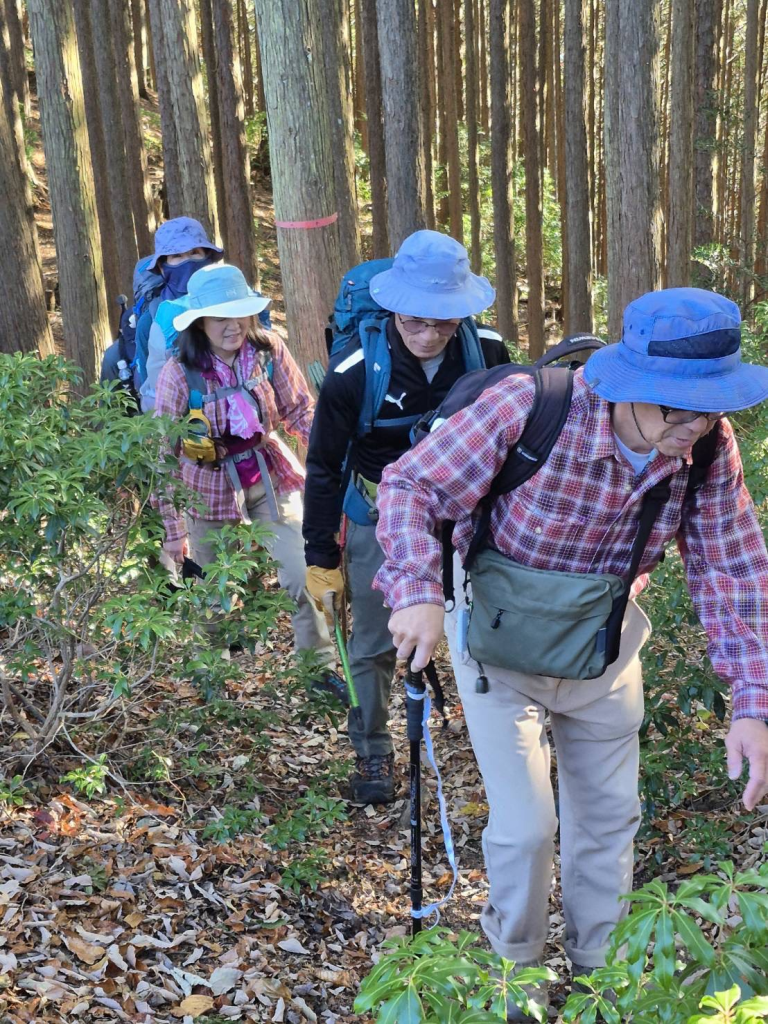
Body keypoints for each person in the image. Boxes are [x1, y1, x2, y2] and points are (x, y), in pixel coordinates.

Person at [373, 287, 768, 1016]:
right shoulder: (529, 408)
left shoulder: (708, 449)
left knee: (609, 821)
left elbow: (732, 568)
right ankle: (513, 980)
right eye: (674, 409)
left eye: (709, 409)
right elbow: (411, 485)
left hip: (602, 648)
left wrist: (752, 703)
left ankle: (599, 983)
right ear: (627, 385)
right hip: (497, 644)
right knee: (526, 831)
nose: (692, 426)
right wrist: (416, 591)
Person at [303, 230, 510, 805]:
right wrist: (320, 553)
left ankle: (502, 743)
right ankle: (372, 747)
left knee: (488, 630)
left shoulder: (488, 353)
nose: (428, 334)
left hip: (469, 516)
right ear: (394, 306)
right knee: (373, 640)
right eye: (415, 320)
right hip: (379, 517)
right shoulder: (354, 371)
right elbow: (324, 465)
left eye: (443, 322)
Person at [153, 262, 338, 685]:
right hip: (207, 489)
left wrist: (332, 458)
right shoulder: (179, 373)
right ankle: (212, 677)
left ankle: (318, 672)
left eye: (239, 313)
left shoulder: (267, 350)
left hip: (270, 477)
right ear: (200, 322)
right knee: (213, 593)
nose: (233, 325)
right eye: (220, 316)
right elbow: (163, 455)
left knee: (302, 575)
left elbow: (299, 411)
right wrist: (174, 530)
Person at [138, 217, 225, 412]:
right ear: (162, 267)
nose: (187, 262)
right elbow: (149, 380)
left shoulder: (230, 303)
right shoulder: (150, 321)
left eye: (195, 253)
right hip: (178, 418)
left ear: (207, 257)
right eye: (177, 256)